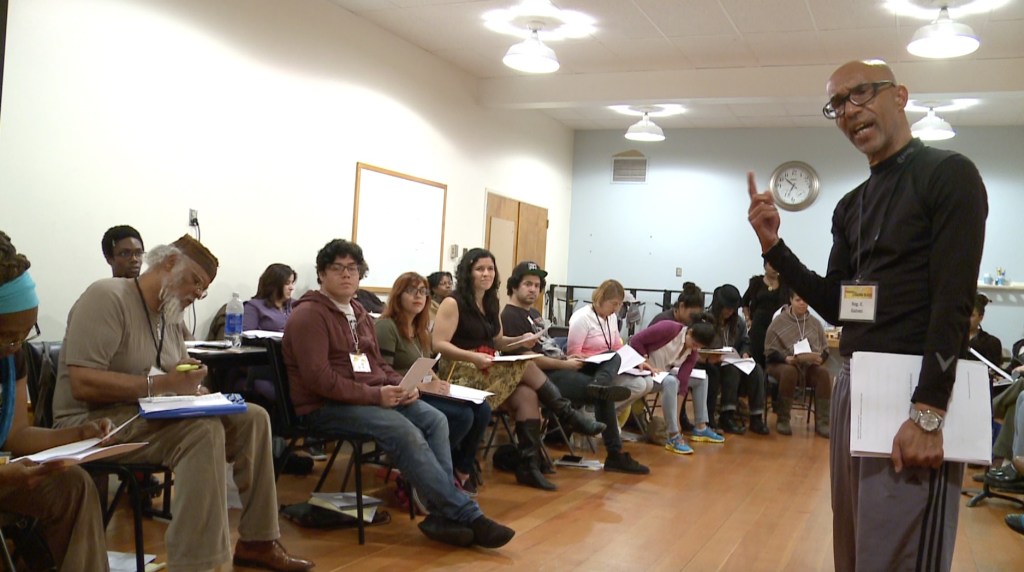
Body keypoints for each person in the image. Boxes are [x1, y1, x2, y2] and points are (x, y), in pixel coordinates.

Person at [747, 59, 988, 571]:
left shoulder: (949, 175)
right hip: (858, 384)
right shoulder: (851, 205)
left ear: (899, 96)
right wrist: (775, 247)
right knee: (856, 548)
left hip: (916, 394)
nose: (849, 111)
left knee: (901, 553)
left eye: (860, 94)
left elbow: (954, 301)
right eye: (837, 104)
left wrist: (928, 410)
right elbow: (839, 304)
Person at [53, 235, 313, 572]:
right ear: (169, 263)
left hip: (138, 413)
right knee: (201, 431)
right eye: (195, 282)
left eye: (202, 289)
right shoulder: (107, 296)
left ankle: (258, 541)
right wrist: (165, 384)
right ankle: (200, 565)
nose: (196, 294)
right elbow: (83, 383)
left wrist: (196, 386)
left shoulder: (167, 313)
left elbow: (178, 367)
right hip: (88, 422)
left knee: (253, 417)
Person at [283, 239, 514, 548]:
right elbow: (319, 380)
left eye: (353, 268)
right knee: (403, 430)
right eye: (337, 268)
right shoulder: (309, 315)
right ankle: (464, 513)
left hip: (369, 397)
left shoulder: (359, 312)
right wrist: (376, 396)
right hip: (325, 406)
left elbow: (378, 364)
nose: (346, 274)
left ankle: (442, 513)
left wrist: (404, 387)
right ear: (322, 274)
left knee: (435, 419)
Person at [433, 249, 605, 491]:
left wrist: (520, 340)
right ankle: (567, 414)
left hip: (487, 367)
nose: (486, 273)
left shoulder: (490, 303)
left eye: (490, 269)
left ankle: (528, 465)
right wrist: (473, 356)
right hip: (461, 371)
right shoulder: (453, 302)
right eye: (480, 269)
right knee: (526, 365)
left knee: (528, 394)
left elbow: (498, 342)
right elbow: (438, 344)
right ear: (467, 272)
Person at [0, 231, 111, 571]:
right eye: (6, 334)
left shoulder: (10, 358)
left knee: (71, 485)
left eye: (26, 333)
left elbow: (16, 435)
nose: (17, 345)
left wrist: (78, 434)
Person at [500, 261, 649, 475]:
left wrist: (572, 359)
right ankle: (614, 454)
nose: (533, 289)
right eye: (527, 284)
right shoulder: (510, 316)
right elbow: (528, 361)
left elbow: (547, 347)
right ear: (514, 286)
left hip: (561, 365)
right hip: (545, 376)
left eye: (536, 285)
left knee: (614, 356)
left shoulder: (532, 313)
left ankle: (601, 383)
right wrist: (565, 362)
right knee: (603, 395)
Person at [375, 271, 491, 493]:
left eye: (423, 292)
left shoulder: (420, 330)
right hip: (401, 394)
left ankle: (461, 470)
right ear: (398, 295)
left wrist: (441, 384)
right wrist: (422, 386)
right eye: (411, 291)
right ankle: (427, 468)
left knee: (482, 409)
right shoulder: (386, 326)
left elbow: (425, 364)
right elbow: (383, 372)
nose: (419, 296)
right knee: (462, 415)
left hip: (423, 389)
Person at [566, 280, 667, 439]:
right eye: (614, 304)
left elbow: (616, 345)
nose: (616, 309)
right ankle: (593, 413)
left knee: (647, 383)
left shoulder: (611, 318)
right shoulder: (581, 318)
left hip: (610, 367)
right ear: (601, 299)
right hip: (590, 370)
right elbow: (572, 354)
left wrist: (637, 361)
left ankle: (609, 414)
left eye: (619, 304)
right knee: (638, 384)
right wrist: (597, 358)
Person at [628, 312, 725, 454]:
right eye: (694, 343)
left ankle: (700, 427)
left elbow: (683, 382)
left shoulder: (692, 352)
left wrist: (677, 417)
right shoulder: (669, 328)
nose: (695, 348)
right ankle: (673, 435)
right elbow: (636, 340)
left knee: (701, 378)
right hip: (642, 373)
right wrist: (645, 361)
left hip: (660, 375)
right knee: (671, 382)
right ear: (689, 332)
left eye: (699, 347)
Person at [763, 291, 831, 437]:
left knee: (823, 374)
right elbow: (769, 350)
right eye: (798, 300)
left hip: (807, 365)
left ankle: (823, 422)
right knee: (790, 372)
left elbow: (825, 349)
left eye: (805, 300)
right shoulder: (779, 321)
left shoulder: (815, 323)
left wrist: (821, 359)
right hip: (781, 364)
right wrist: (785, 358)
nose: (802, 303)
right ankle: (783, 419)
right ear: (791, 301)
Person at [707, 284, 770, 435]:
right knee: (731, 369)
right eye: (726, 308)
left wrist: (745, 354)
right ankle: (726, 415)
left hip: (735, 360)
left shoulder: (738, 322)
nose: (730, 312)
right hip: (713, 364)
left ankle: (756, 417)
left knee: (757, 370)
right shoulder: (707, 320)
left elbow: (745, 342)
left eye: (732, 309)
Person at [741, 261, 789, 369]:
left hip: (777, 325)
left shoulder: (785, 283)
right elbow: (744, 302)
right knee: (756, 357)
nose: (774, 268)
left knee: (773, 357)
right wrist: (748, 319)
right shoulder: (756, 283)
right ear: (765, 266)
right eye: (771, 265)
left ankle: (770, 384)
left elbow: (789, 304)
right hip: (758, 324)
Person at [243, 263, 296, 332]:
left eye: (292, 283)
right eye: (287, 283)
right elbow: (247, 336)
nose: (291, 288)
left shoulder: (295, 305)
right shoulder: (254, 306)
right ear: (274, 285)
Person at [968, 294, 1003, 376]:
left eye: (972, 315)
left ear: (981, 317)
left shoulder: (992, 342)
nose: (966, 319)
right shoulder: (953, 340)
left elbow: (995, 372)